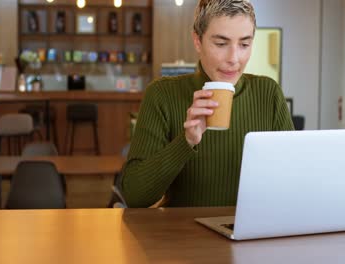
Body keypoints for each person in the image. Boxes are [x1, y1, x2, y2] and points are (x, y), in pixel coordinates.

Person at [121, 0, 294, 208]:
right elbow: (135, 195)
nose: (234, 58)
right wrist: (186, 141)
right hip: (185, 236)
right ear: (197, 40)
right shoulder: (162, 95)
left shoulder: (268, 93)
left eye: (244, 44)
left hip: (250, 234)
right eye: (221, 44)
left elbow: (291, 183)